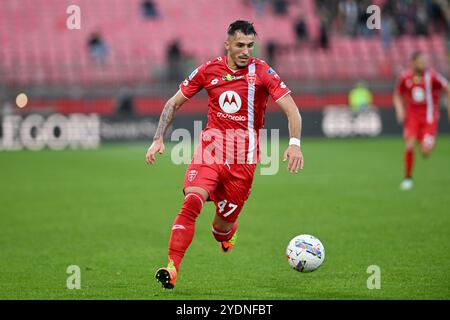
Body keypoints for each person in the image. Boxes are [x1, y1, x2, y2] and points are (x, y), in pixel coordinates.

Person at [146, 20, 304, 289]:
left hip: (243, 163)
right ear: (227, 44)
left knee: (220, 230)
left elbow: (292, 110)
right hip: (211, 151)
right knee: (192, 201)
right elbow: (174, 102)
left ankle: (227, 232)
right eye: (240, 45)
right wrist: (158, 137)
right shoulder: (209, 70)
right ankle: (172, 267)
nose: (246, 51)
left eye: (250, 45)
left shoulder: (263, 71)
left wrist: (294, 143)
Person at [393, 51, 450, 190]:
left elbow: (448, 88)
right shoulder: (405, 77)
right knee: (409, 145)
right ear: (413, 62)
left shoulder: (432, 76)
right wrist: (399, 109)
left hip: (429, 118)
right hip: (412, 117)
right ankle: (407, 178)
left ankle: (425, 142)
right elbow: (397, 94)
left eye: (424, 61)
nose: (423, 63)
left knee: (425, 152)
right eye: (420, 61)